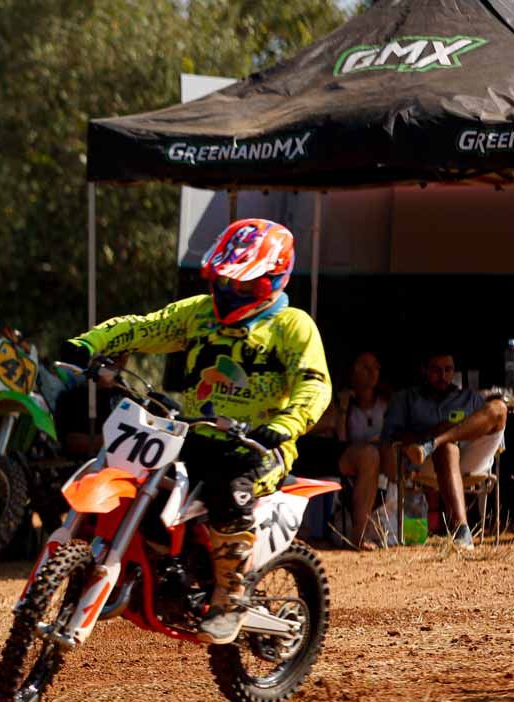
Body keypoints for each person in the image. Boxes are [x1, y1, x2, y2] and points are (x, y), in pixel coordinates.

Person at [59, 218, 331, 644]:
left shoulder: (292, 326)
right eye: (222, 279)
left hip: (259, 447)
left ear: (271, 280)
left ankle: (229, 597)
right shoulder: (199, 313)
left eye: (240, 284)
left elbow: (314, 384)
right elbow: (144, 326)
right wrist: (91, 344)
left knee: (229, 491)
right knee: (139, 476)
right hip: (193, 436)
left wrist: (283, 425)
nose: (227, 290)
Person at [381, 348, 507, 550]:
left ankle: (437, 440)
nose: (443, 376)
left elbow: (493, 431)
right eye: (436, 370)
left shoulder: (468, 398)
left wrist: (439, 436)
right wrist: (429, 433)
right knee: (447, 448)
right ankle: (461, 530)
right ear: (424, 370)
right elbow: (391, 435)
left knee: (499, 408)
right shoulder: (406, 399)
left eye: (448, 370)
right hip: (426, 463)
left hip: (469, 458)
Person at [294, 351, 389, 550]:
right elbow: (329, 425)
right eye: (365, 367)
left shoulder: (384, 403)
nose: (372, 373)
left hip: (328, 450)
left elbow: (337, 434)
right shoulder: (331, 394)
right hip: (290, 442)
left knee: (369, 455)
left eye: (376, 368)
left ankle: (358, 536)